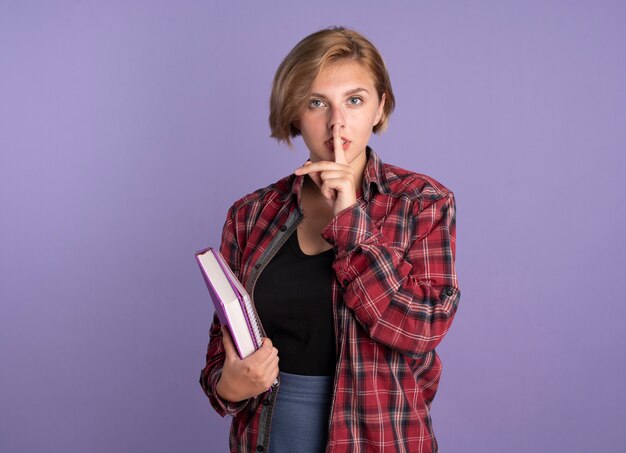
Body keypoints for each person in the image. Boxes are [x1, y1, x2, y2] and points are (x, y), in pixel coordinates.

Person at [200, 26, 460, 453]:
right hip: (269, 435)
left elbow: (420, 328)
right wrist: (226, 387)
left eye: (354, 100)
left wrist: (350, 216)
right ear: (294, 113)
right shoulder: (250, 215)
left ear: (380, 107)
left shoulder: (422, 203)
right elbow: (222, 342)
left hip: (379, 436)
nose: (337, 121)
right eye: (317, 102)